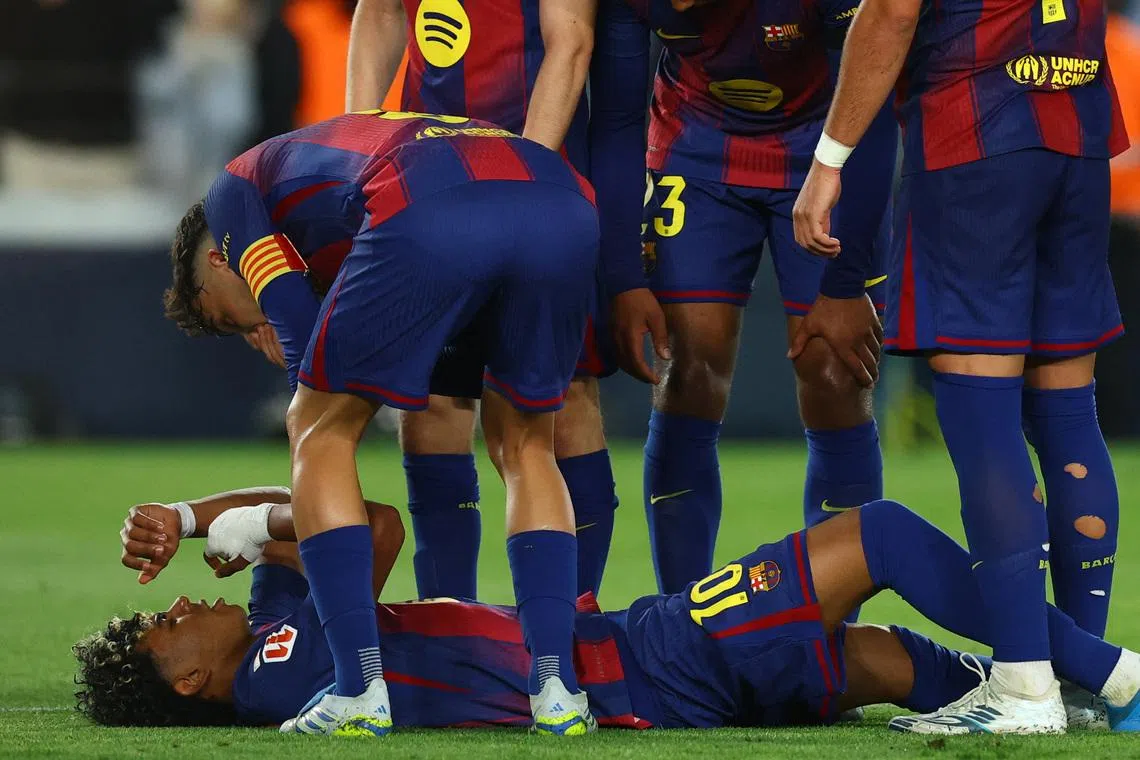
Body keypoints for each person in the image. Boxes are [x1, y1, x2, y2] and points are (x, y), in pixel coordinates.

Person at [161, 110, 600, 736]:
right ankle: (556, 691)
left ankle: (359, 691)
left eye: (231, 319)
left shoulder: (232, 192)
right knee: (526, 443)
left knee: (318, 427)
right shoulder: (320, 204)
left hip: (432, 200)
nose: (248, 330)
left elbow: (290, 319)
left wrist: (307, 395)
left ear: (217, 262)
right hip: (562, 199)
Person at [83, 488, 1140, 734]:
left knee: (874, 657)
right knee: (880, 535)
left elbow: (362, 522)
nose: (174, 605)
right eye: (163, 626)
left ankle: (1061, 701)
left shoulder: (282, 640)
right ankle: (1109, 669)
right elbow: (373, 529)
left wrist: (199, 518)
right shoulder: (270, 675)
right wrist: (251, 513)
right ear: (185, 681)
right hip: (642, 657)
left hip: (646, 676)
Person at [792, 0, 1127, 734]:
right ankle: (1085, 681)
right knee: (1068, 413)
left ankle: (1024, 685)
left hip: (977, 130)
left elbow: (892, 10)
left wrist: (828, 162)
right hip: (1081, 125)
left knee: (982, 414)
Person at [597, 0, 898, 596]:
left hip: (824, 146)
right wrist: (625, 276)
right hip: (694, 146)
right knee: (686, 369)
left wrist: (845, 285)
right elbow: (614, 118)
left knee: (836, 375)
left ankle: (833, 646)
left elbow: (876, 96)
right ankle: (680, 629)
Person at [337, 0, 627, 601]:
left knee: (560, 400)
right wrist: (360, 141)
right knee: (434, 403)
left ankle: (574, 628)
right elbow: (383, 11)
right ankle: (450, 623)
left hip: (541, 172)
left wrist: (525, 180)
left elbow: (569, 44)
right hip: (428, 180)